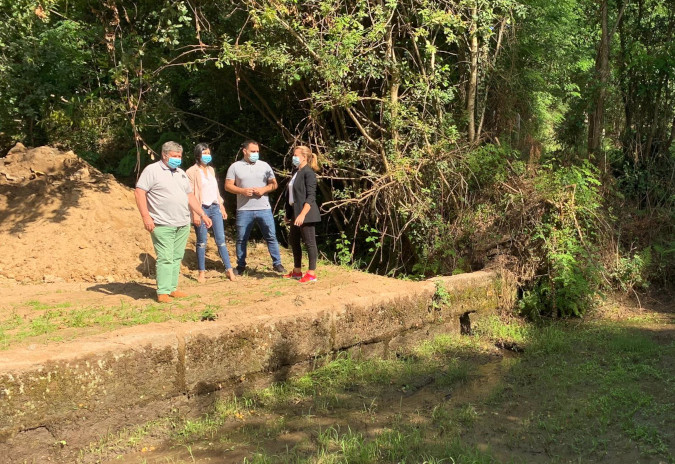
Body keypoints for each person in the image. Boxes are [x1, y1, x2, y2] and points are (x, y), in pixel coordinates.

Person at [134, 141, 213, 303]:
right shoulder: (152, 171)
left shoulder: (180, 173)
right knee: (165, 257)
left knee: (177, 256)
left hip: (182, 223)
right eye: (174, 156)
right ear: (164, 155)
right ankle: (162, 291)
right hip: (162, 223)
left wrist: (202, 214)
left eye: (179, 156)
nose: (178, 159)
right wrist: (146, 217)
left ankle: (172, 288)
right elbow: (139, 192)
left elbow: (190, 196)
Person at [225, 140, 286, 275]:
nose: (256, 154)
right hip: (244, 210)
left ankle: (277, 264)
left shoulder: (265, 166)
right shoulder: (235, 167)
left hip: (264, 208)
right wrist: (242, 191)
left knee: (271, 236)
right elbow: (228, 186)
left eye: (257, 151)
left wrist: (264, 189)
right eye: (253, 151)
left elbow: (274, 184)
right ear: (245, 151)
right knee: (241, 238)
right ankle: (240, 266)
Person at [185, 143, 236, 283]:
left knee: (221, 240)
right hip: (202, 209)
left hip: (214, 207)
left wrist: (221, 206)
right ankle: (201, 272)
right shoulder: (191, 172)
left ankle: (229, 269)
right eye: (204, 153)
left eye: (208, 153)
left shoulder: (211, 170)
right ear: (198, 155)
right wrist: (196, 213)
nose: (207, 156)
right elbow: (191, 194)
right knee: (202, 241)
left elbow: (216, 190)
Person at [283, 145, 321, 283]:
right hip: (295, 212)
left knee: (309, 242)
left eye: (296, 155)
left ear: (304, 157)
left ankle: (311, 273)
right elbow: (291, 195)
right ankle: (297, 271)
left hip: (306, 214)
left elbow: (311, 197)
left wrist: (303, 214)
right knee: (294, 240)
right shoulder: (296, 172)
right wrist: (288, 213)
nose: (293, 158)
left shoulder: (308, 173)